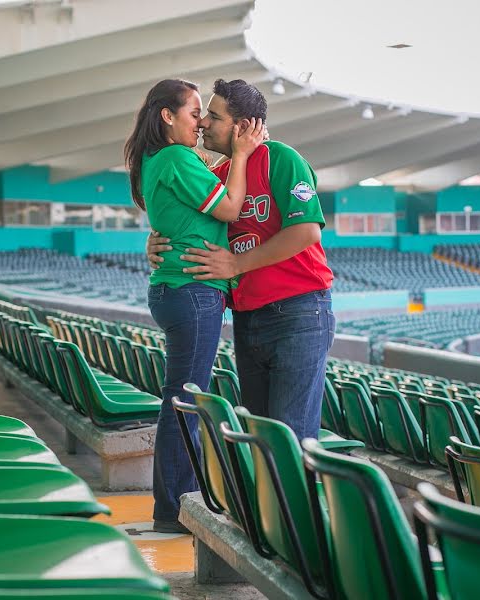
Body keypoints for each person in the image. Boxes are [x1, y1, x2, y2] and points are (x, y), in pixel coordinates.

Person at [148, 78, 334, 442]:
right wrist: (153, 241)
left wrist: (235, 265)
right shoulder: (216, 177)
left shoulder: (280, 158)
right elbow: (184, 219)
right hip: (247, 317)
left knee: (290, 439)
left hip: (300, 313)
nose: (202, 124)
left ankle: (293, 503)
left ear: (243, 126)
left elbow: (307, 231)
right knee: (261, 437)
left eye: (213, 117)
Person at [124, 78, 264, 534]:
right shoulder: (177, 157)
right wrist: (241, 155)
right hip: (192, 291)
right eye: (193, 112)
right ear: (168, 116)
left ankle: (175, 504)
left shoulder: (158, 157)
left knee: (180, 399)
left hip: (175, 289)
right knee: (185, 402)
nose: (200, 121)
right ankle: (177, 509)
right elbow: (229, 209)